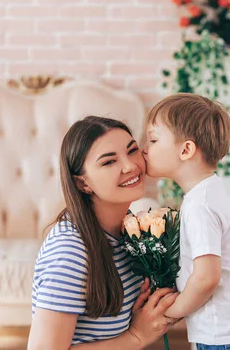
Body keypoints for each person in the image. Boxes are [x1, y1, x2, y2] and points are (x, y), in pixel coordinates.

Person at [28, 116, 178, 350]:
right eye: (109, 162)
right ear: (82, 183)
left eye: (132, 151)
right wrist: (136, 336)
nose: (130, 166)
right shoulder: (70, 252)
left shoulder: (128, 232)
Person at [142, 94, 230, 350]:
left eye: (153, 140)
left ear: (186, 150)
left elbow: (206, 278)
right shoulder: (205, 194)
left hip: (226, 336)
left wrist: (172, 313)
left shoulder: (200, 205)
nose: (145, 149)